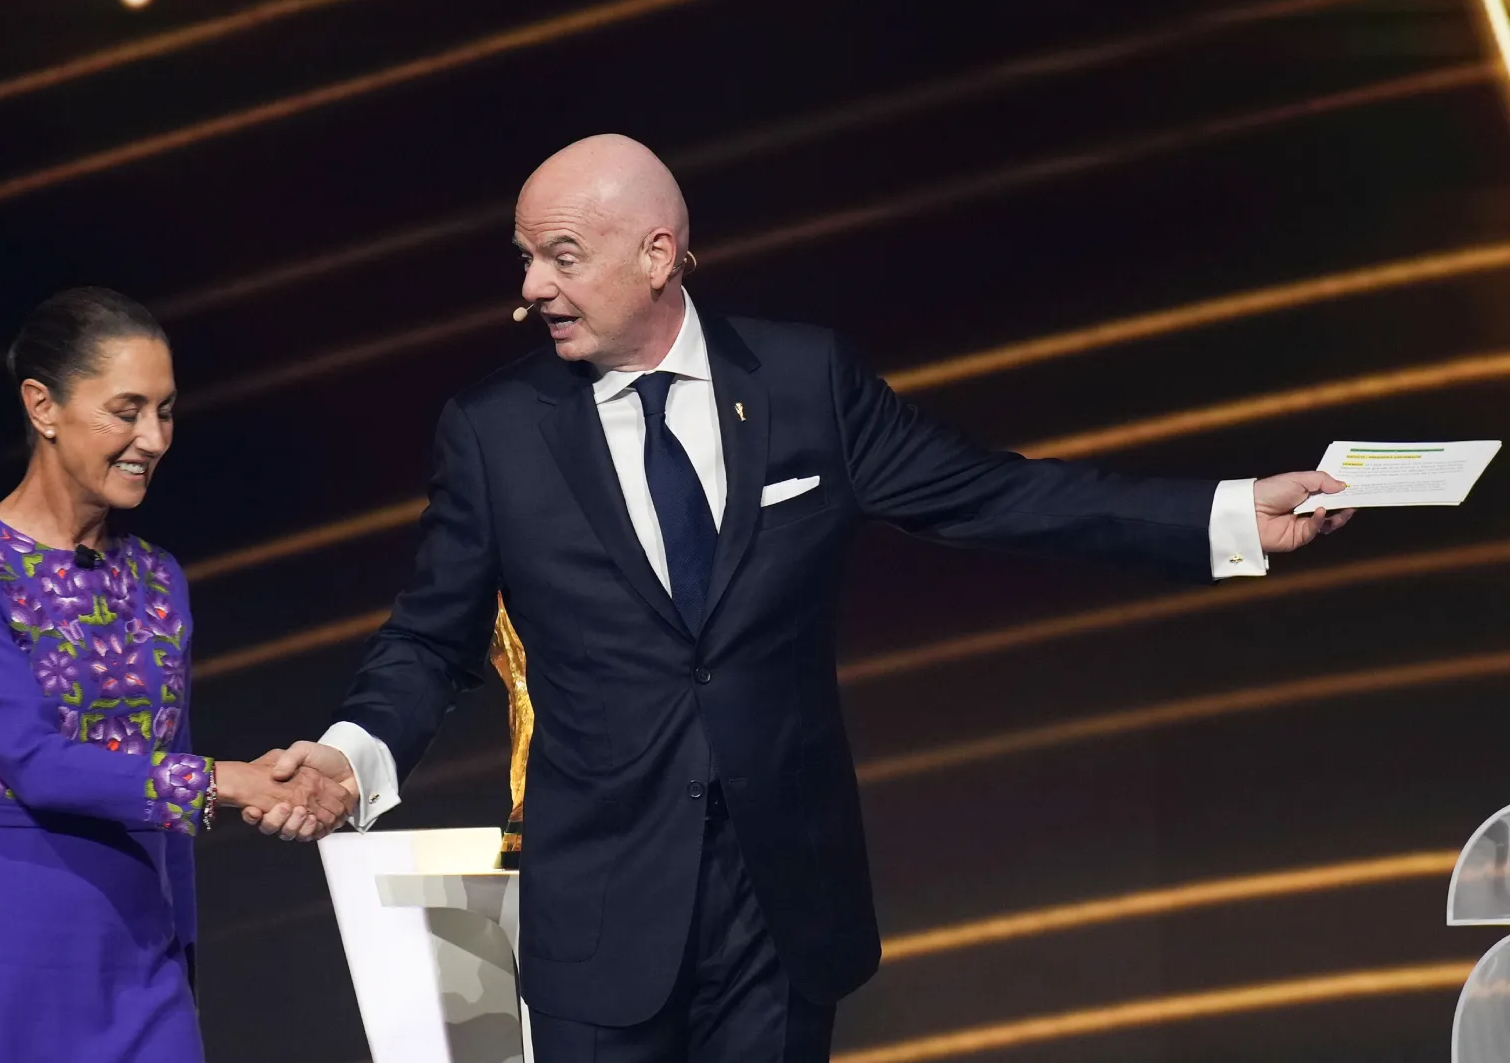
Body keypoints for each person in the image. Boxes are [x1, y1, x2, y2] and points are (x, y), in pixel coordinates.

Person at [257, 135, 1357, 1062]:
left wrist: (1224, 515)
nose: (531, 287)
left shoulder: (802, 384)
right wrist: (353, 755)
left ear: (658, 254)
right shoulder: (496, 432)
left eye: (560, 257)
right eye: (526, 259)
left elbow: (991, 494)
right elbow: (430, 635)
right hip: (601, 908)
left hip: (780, 905)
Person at [0, 287, 355, 1061]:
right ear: (43, 407)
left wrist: (184, 958)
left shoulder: (159, 578)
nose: (154, 437)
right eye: (127, 410)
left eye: (166, 411)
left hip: (137, 964)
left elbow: (171, 785)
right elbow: (35, 765)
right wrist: (231, 782)